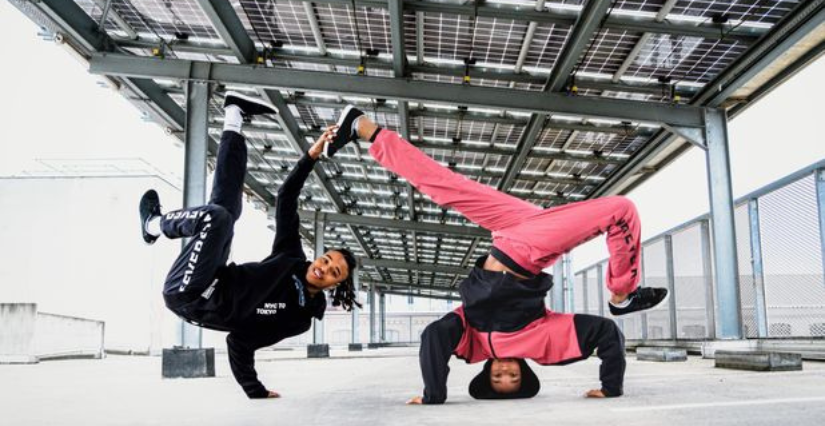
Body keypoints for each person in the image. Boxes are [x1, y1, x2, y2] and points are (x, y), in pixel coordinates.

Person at [323, 106, 666, 404]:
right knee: (620, 210)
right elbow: (607, 335)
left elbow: (433, 337)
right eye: (513, 378)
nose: (504, 371)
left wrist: (434, 396)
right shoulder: (542, 339)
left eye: (497, 378)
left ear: (486, 373)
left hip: (510, 234)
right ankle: (622, 293)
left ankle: (363, 127)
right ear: (524, 372)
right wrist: (611, 388)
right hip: (528, 251)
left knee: (444, 184)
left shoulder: (470, 341)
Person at [138, 92, 359, 399]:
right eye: (325, 260)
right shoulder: (291, 257)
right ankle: (234, 114)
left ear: (336, 284)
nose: (323, 269)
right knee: (226, 210)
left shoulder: (299, 321)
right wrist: (312, 155)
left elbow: (240, 342)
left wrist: (254, 390)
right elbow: (286, 199)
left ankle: (153, 224)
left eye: (334, 272)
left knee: (217, 218)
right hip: (212, 274)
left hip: (189, 297)